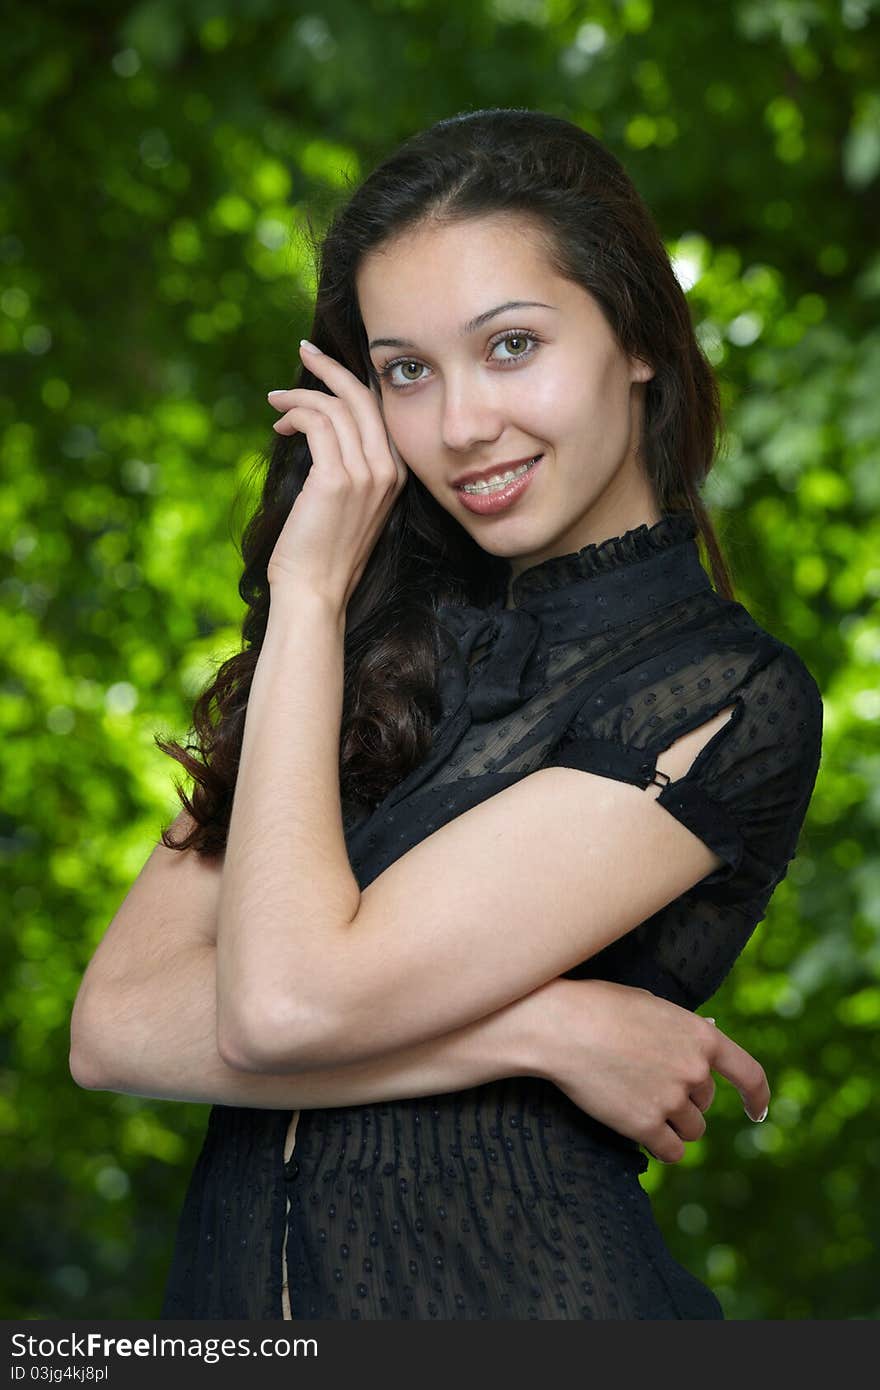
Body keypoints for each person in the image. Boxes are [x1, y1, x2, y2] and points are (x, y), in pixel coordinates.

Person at [69, 108, 823, 1321]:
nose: (460, 424)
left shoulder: (715, 691)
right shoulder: (351, 645)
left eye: (511, 345)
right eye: (406, 371)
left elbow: (281, 1009)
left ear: (635, 336)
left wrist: (310, 595)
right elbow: (112, 1029)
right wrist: (538, 1031)